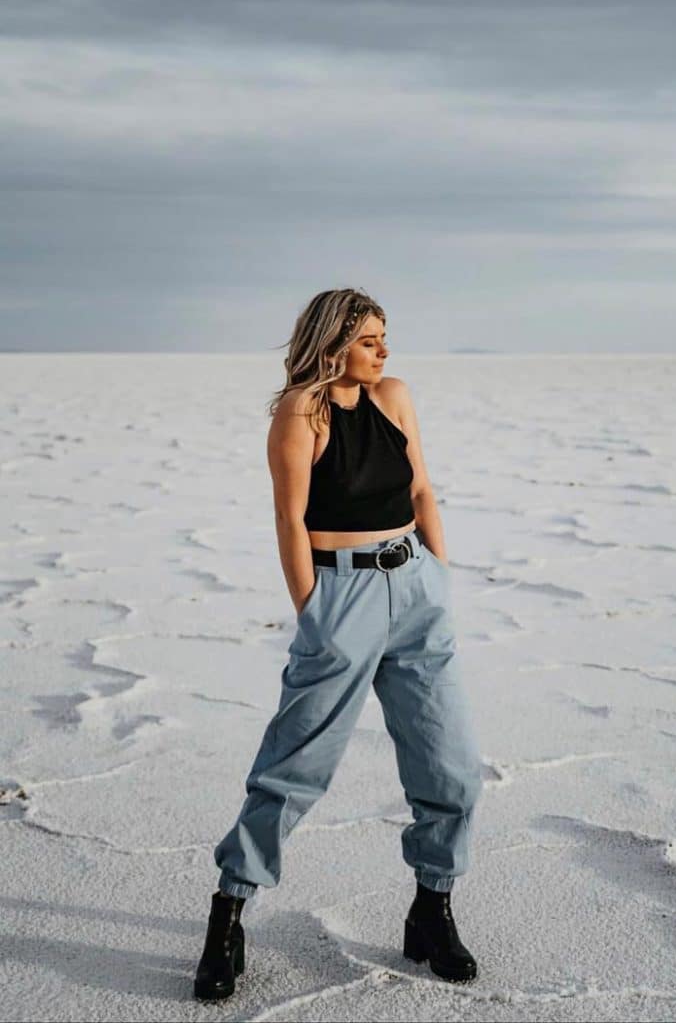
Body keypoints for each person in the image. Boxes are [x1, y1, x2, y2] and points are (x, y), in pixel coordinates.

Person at [193, 287, 484, 1000]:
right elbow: (289, 522)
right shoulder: (301, 413)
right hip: (341, 596)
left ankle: (431, 910)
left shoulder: (394, 396)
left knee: (450, 766)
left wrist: (439, 576)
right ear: (331, 344)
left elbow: (421, 492)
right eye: (368, 339)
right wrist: (313, 614)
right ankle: (228, 914)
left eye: (385, 336)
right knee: (294, 768)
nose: (382, 350)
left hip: (415, 588)